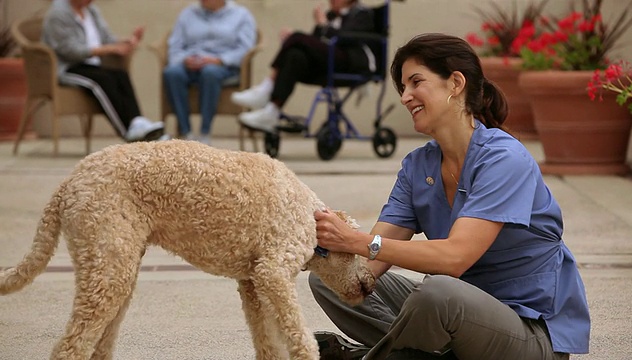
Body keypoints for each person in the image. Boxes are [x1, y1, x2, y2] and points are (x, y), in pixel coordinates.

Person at [310, 33, 590, 360]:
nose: (405, 97)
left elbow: (456, 258)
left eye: (416, 82)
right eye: (403, 88)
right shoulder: (419, 166)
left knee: (438, 293)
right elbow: (368, 265)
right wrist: (317, 243)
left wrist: (356, 241)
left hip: (530, 332)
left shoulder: (504, 159)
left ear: (455, 83)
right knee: (330, 280)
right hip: (458, 322)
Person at [231, 0, 376, 133]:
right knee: (295, 55)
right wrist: (318, 28)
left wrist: (322, 26)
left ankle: (267, 87)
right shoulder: (331, 16)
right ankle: (272, 111)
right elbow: (315, 42)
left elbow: (346, 39)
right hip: (328, 62)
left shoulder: (362, 13)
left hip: (352, 62)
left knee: (297, 37)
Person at [42, 0, 167, 143]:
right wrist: (110, 49)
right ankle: (128, 133)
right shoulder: (57, 14)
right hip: (68, 67)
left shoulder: (92, 10)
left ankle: (138, 124)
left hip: (91, 65)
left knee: (120, 75)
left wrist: (127, 41)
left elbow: (107, 38)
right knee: (101, 81)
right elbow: (70, 51)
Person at [163, 0, 256, 145]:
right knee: (172, 73)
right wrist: (184, 60)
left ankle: (205, 132)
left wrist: (219, 60)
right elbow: (175, 45)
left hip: (223, 66)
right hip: (190, 63)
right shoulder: (187, 14)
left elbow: (245, 48)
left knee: (210, 73)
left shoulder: (241, 15)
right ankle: (185, 132)